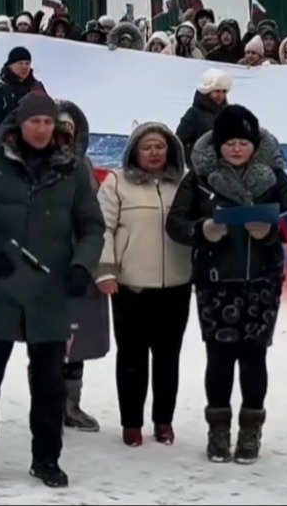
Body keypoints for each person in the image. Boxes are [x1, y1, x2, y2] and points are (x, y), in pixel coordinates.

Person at [0, 92, 105, 490]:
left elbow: (91, 226)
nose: (41, 129)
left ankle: (46, 458)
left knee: (50, 383)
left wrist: (81, 265)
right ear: (20, 125)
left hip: (49, 290)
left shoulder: (72, 171)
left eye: (48, 122)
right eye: (34, 122)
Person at [166, 105, 287, 465]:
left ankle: (251, 430)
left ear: (254, 144)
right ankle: (219, 429)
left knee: (255, 356)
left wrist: (271, 231)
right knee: (220, 358)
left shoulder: (275, 177)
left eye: (244, 142)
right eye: (230, 143)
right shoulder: (198, 178)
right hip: (215, 282)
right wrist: (201, 231)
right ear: (218, 144)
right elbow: (175, 222)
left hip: (263, 281)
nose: (237, 149)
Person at [96, 122, 192, 447]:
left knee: (168, 357)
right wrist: (106, 270)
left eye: (160, 146)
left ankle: (163, 421)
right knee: (132, 357)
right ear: (135, 151)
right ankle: (131, 423)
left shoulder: (184, 183)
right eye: (147, 146)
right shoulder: (116, 183)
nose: (154, 153)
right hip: (130, 286)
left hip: (176, 285)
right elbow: (102, 229)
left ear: (171, 150)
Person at [54, 100, 107, 433]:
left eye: (68, 133)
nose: (62, 139)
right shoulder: (30, 164)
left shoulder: (84, 165)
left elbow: (94, 215)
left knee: (79, 337)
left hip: (79, 262)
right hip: (43, 263)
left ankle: (71, 405)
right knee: (46, 340)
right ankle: (46, 402)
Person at [0, 46, 46, 151]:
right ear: (10, 66)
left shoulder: (36, 88)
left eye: (27, 63)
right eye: (21, 63)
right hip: (1, 150)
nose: (24, 67)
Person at [176, 68, 232, 168]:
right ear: (208, 91)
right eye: (217, 91)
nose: (220, 95)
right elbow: (179, 142)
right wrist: (192, 162)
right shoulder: (193, 113)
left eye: (224, 91)